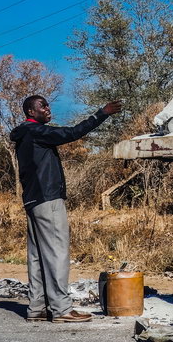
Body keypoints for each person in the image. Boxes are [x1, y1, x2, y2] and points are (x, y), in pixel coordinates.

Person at [10, 96, 122, 322]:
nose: (48, 108)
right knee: (57, 253)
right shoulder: (36, 131)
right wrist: (102, 113)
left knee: (38, 256)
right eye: (43, 106)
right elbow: (71, 133)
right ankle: (61, 309)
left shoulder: (23, 136)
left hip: (32, 201)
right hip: (48, 200)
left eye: (48, 104)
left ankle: (37, 308)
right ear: (31, 111)